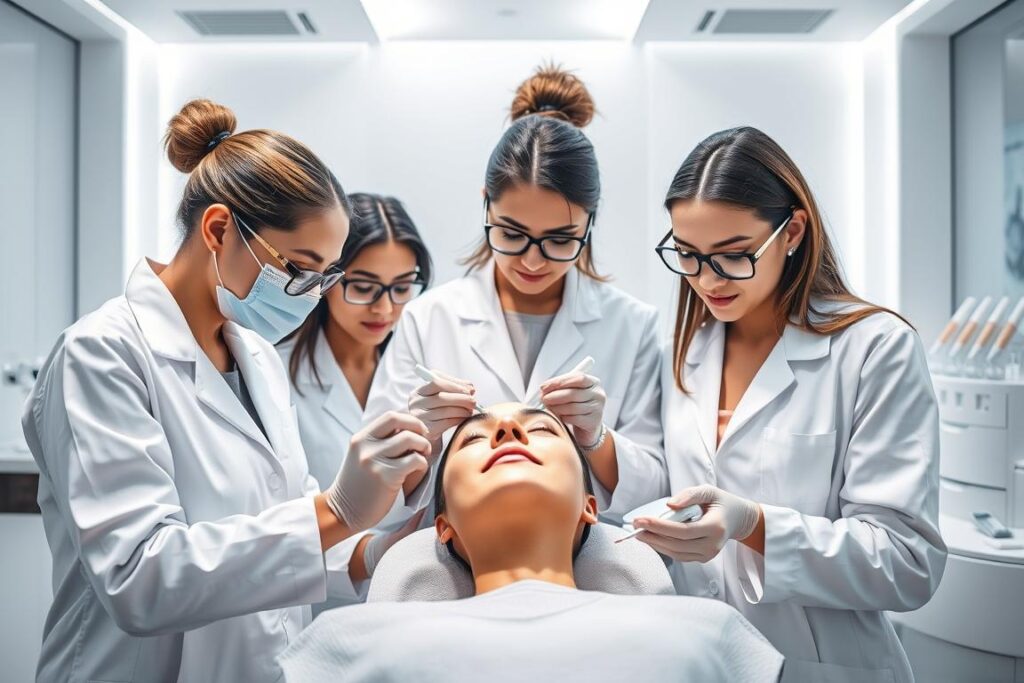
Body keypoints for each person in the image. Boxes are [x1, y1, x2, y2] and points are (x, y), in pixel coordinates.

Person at [22, 99, 430, 682]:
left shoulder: (256, 357)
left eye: (324, 277)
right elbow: (141, 579)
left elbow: (278, 524)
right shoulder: (101, 354)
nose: (309, 295)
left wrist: (378, 550)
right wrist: (336, 511)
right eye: (298, 268)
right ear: (218, 230)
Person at [622, 126, 946, 682]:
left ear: (792, 231)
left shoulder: (875, 348)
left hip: (824, 665)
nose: (707, 280)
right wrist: (595, 441)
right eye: (688, 255)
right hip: (699, 659)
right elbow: (665, 489)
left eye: (733, 255)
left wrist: (754, 525)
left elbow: (906, 562)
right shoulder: (685, 349)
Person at [279, 404, 784, 682]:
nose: (507, 430)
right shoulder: (347, 644)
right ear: (443, 525)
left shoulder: (707, 634)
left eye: (541, 429)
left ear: (590, 506)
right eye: (473, 439)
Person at [365, 64, 664, 520]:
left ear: (590, 222)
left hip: (585, 559)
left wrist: (596, 438)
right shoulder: (428, 319)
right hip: (454, 559)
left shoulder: (633, 326)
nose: (533, 261)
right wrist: (423, 438)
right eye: (512, 234)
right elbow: (370, 498)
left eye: (560, 240)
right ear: (486, 203)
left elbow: (656, 492)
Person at [278, 192, 433, 608]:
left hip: (407, 599)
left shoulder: (420, 368)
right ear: (327, 278)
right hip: (312, 602)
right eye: (363, 287)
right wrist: (370, 554)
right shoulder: (273, 372)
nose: (385, 308)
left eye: (402, 287)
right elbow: (276, 521)